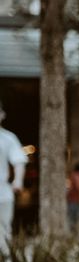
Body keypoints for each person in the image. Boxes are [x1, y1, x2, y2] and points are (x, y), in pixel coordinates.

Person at [0, 104, 26, 252]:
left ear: (2, 115)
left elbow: (19, 161)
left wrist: (18, 181)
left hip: (3, 194)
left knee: (4, 233)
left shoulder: (8, 138)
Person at [66, 161, 79, 230]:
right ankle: (72, 233)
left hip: (73, 200)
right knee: (73, 218)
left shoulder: (73, 175)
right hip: (74, 201)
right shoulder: (77, 176)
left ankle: (72, 232)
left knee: (72, 218)